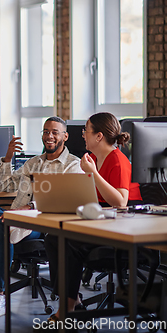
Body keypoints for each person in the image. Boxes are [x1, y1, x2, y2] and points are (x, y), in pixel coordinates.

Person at [0, 116, 83, 319]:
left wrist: (30, 206)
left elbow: (66, 200)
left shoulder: (72, 165)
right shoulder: (33, 163)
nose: (49, 136)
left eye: (55, 132)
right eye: (46, 131)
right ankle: (4, 217)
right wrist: (8, 158)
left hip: (42, 225)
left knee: (2, 227)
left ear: (65, 136)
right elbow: (3, 186)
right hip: (16, 220)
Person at [42, 112, 142, 328]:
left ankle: (67, 309)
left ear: (98, 136)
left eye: (85, 131)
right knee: (52, 238)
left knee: (69, 242)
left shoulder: (118, 159)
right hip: (100, 220)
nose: (83, 136)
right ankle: (72, 299)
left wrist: (93, 174)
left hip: (119, 227)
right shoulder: (94, 159)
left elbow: (120, 202)